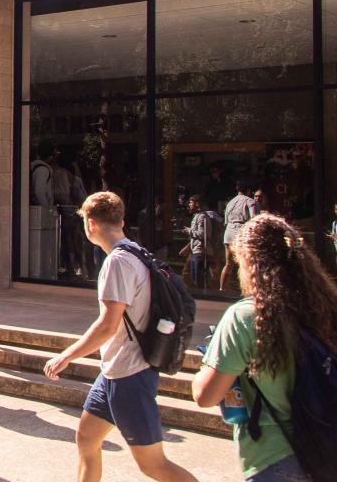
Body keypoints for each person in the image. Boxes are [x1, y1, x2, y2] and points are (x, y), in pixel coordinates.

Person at [44, 191, 196, 482]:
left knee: (153, 464)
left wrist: (66, 356)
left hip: (130, 374)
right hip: (114, 372)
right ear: (122, 221)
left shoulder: (117, 262)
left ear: (90, 224)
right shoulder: (136, 251)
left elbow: (107, 325)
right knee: (87, 438)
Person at [194, 213, 337, 481]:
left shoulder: (247, 316)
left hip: (274, 458)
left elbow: (206, 396)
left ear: (249, 262)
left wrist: (207, 365)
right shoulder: (326, 307)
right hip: (327, 450)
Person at [219, 181, 260, 293]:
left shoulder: (230, 203)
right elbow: (254, 220)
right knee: (245, 262)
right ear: (249, 191)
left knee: (228, 263)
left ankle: (222, 288)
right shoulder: (251, 202)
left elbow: (226, 221)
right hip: (241, 233)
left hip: (228, 233)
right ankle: (247, 289)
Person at [181, 194, 222, 290]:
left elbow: (203, 234)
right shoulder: (197, 216)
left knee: (198, 280)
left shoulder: (202, 217)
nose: (189, 205)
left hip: (201, 252)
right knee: (194, 279)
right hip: (196, 251)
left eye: (191, 202)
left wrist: (189, 231)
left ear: (197, 203)